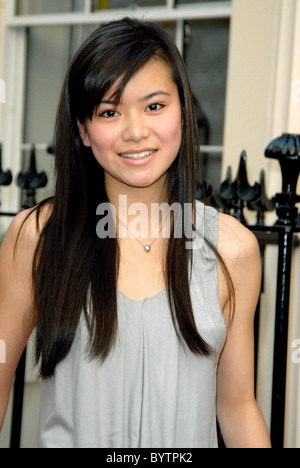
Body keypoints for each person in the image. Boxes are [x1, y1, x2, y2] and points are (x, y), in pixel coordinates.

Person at [0, 17, 271, 448]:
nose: (135, 131)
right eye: (109, 111)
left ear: (183, 112)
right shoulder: (38, 238)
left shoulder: (233, 250)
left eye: (154, 106)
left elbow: (237, 405)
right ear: (83, 130)